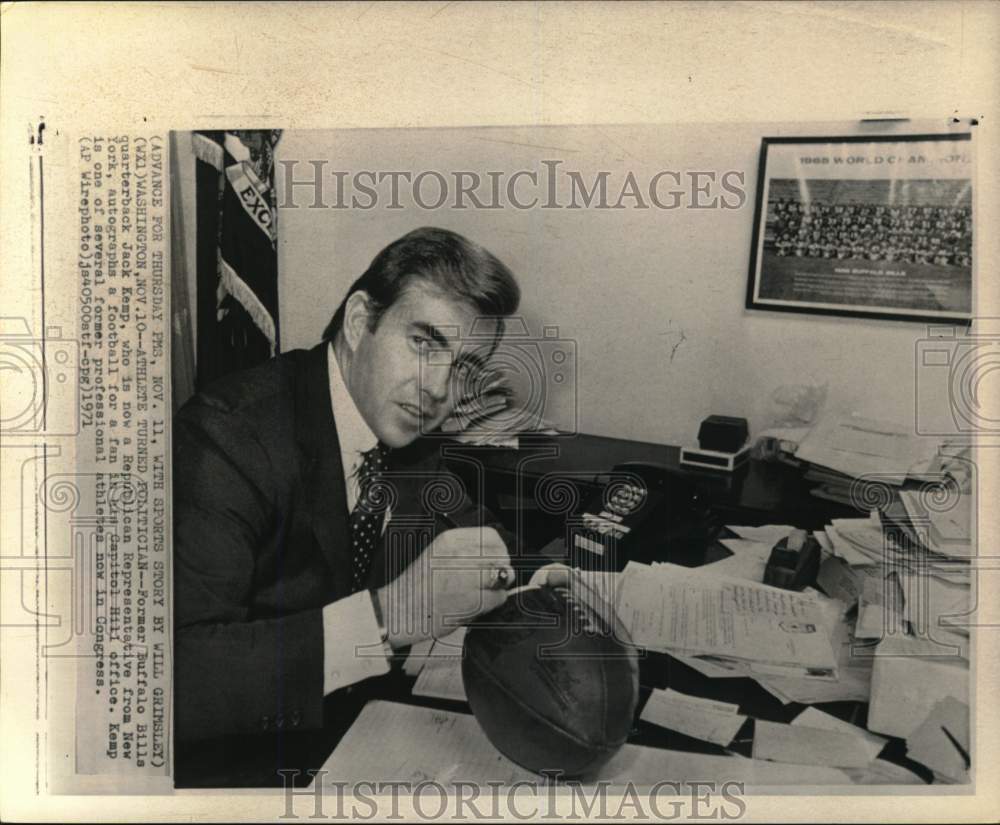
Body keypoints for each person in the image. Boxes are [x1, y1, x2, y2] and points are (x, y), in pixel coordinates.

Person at [173, 227, 521, 786]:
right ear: (360, 323)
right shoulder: (226, 440)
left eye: (463, 368)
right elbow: (176, 679)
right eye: (424, 343)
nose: (438, 389)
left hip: (355, 737)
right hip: (235, 769)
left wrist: (526, 582)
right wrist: (384, 620)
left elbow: (478, 539)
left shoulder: (406, 431)